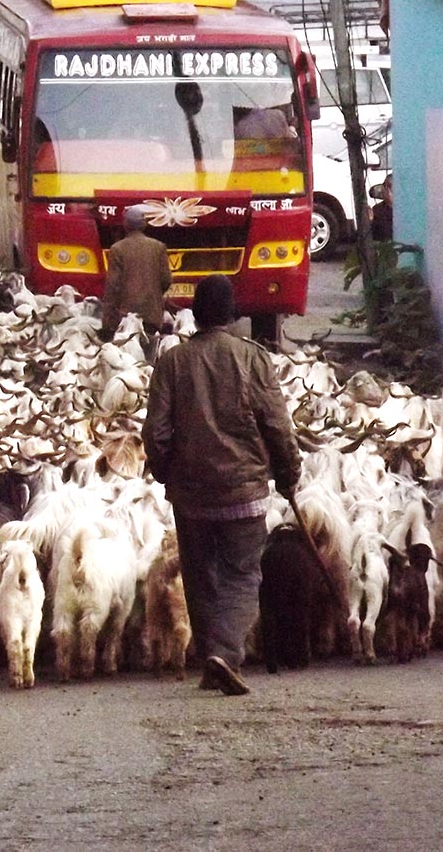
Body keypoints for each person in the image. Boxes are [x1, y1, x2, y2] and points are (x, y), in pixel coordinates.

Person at [142, 274, 300, 697]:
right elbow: (277, 425)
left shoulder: (173, 362)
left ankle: (212, 654)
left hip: (191, 495)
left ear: (195, 313)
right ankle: (225, 654)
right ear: (232, 315)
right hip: (243, 491)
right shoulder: (254, 359)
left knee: (199, 578)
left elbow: (155, 430)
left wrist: (164, 470)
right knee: (243, 575)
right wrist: (288, 473)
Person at [100, 205, 172, 355]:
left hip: (126, 318)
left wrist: (108, 323)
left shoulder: (117, 249)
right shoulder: (158, 247)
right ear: (144, 225)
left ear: (125, 225)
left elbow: (113, 286)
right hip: (152, 317)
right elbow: (166, 280)